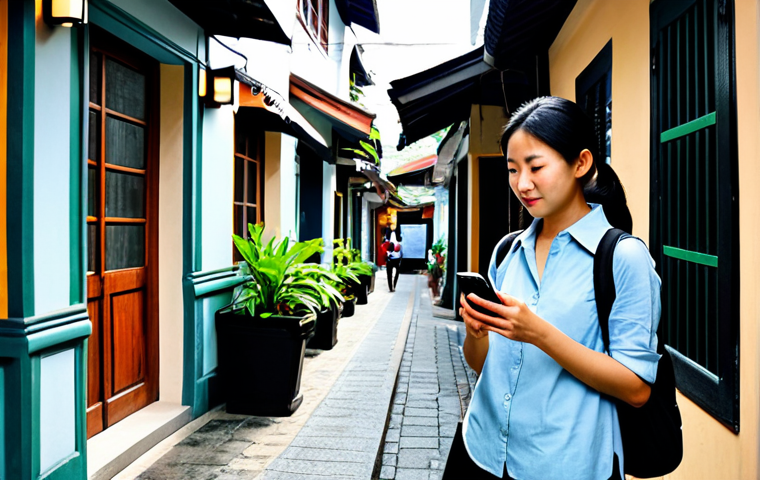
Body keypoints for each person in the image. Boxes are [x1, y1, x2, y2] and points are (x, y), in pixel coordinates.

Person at [444, 96, 660, 480]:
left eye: (536, 167)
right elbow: (482, 363)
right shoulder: (508, 250)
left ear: (581, 163)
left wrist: (538, 333)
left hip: (565, 464)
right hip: (480, 452)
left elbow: (636, 387)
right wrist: (476, 334)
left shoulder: (623, 258)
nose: (522, 184)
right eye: (512, 169)